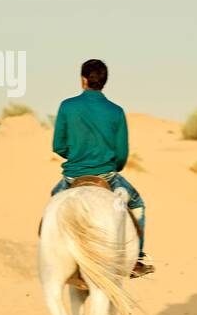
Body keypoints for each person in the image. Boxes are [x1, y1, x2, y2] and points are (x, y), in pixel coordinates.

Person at [50, 58, 154, 278]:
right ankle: (137, 259)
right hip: (107, 175)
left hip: (72, 177)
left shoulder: (67, 106)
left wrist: (77, 155)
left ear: (83, 80)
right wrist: (109, 163)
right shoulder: (116, 111)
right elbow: (122, 154)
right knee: (137, 204)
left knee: (52, 203)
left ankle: (50, 254)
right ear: (104, 81)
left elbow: (58, 145)